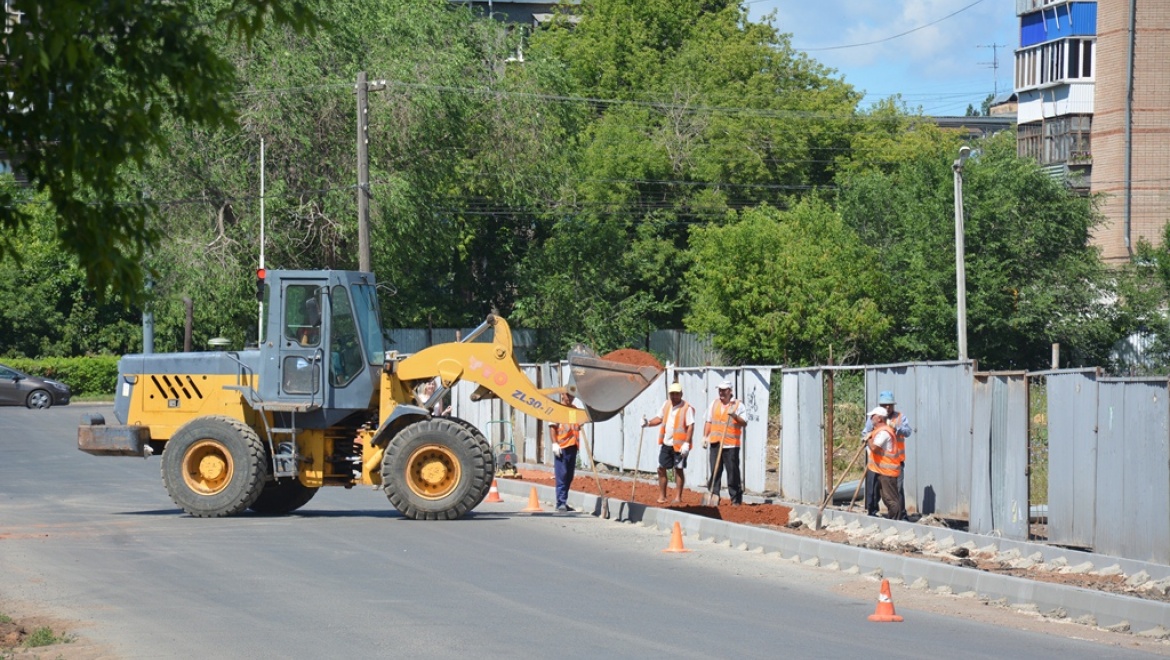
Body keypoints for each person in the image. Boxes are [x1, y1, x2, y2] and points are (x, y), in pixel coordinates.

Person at [860, 390, 911, 516]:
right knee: (874, 488)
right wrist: (868, 440)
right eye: (884, 405)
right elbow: (866, 432)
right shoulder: (875, 416)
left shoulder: (899, 418)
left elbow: (908, 432)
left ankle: (900, 515)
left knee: (896, 489)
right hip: (876, 461)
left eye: (890, 405)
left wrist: (897, 428)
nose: (887, 407)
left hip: (894, 461)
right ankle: (872, 511)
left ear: (893, 405)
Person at [642, 382, 695, 504]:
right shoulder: (666, 405)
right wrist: (648, 423)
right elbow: (659, 418)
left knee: (679, 469)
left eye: (677, 394)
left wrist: (687, 443)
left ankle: (678, 497)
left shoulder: (686, 408)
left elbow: (691, 426)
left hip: (680, 446)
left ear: (681, 394)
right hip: (667, 444)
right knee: (661, 468)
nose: (675, 396)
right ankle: (662, 495)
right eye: (672, 394)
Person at [702, 380, 747, 505]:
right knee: (715, 471)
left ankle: (736, 499)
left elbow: (744, 422)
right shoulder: (714, 403)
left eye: (724, 390)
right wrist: (705, 436)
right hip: (715, 442)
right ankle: (714, 494)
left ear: (730, 391)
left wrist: (734, 416)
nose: (721, 392)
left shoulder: (738, 405)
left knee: (732, 473)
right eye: (720, 390)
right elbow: (708, 421)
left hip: (731, 444)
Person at [865, 406, 904, 520]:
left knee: (891, 500)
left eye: (873, 416)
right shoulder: (879, 431)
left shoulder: (884, 433)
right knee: (887, 498)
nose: (871, 418)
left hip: (888, 472)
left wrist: (868, 439)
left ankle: (896, 522)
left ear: (879, 419)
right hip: (882, 471)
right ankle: (893, 521)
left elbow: (874, 448)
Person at [549, 392, 583, 512]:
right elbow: (553, 427)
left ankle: (564, 500)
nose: (570, 398)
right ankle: (560, 502)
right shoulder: (557, 409)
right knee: (561, 475)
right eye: (568, 396)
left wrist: (580, 423)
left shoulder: (573, 410)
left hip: (572, 446)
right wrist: (554, 444)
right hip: (562, 447)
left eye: (572, 396)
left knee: (569, 476)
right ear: (562, 395)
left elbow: (574, 425)